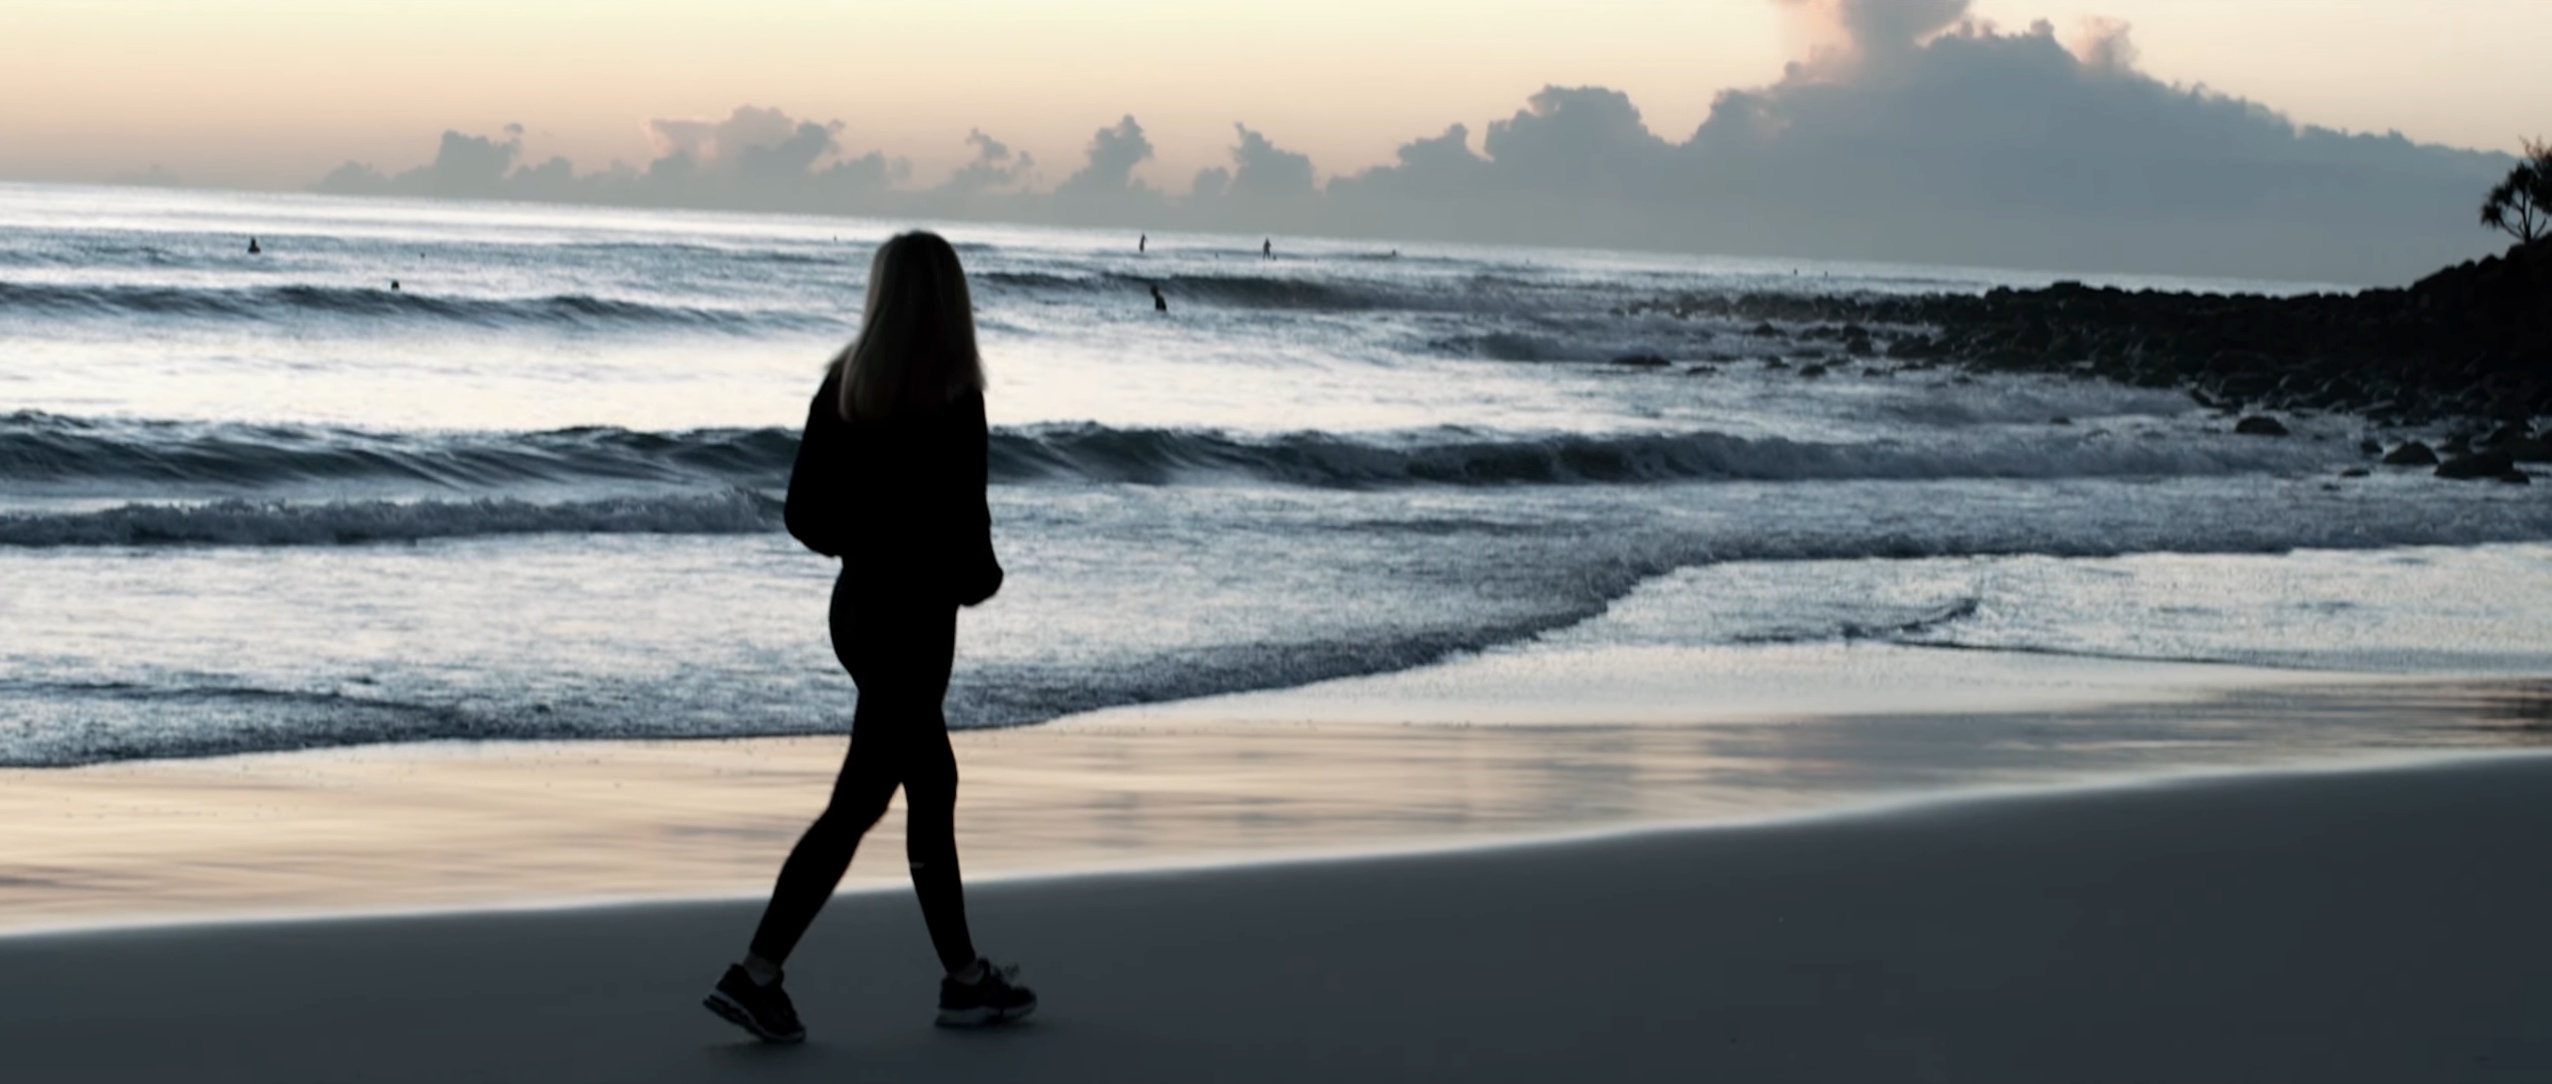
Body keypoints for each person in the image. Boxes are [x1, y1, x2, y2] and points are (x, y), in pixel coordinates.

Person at [703, 230, 1035, 1044]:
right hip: (916, 623)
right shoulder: (956, 394)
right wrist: (976, 577)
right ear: (951, 301)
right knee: (862, 802)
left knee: (924, 783)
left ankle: (962, 979)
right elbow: (967, 526)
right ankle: (758, 973)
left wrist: (871, 543)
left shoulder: (844, 382)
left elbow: (802, 514)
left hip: (857, 613)